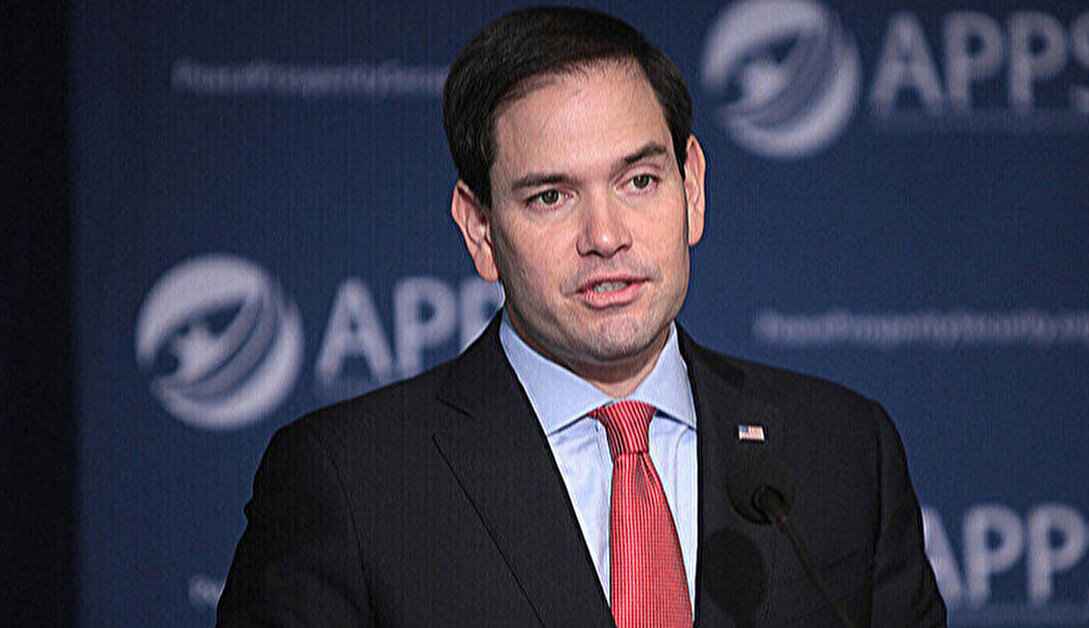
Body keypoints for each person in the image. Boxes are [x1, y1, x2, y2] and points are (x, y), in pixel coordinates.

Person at [217, 7, 946, 627]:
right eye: (550, 197)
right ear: (479, 228)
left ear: (692, 189)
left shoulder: (842, 451)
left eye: (639, 180)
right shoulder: (352, 480)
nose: (605, 235)